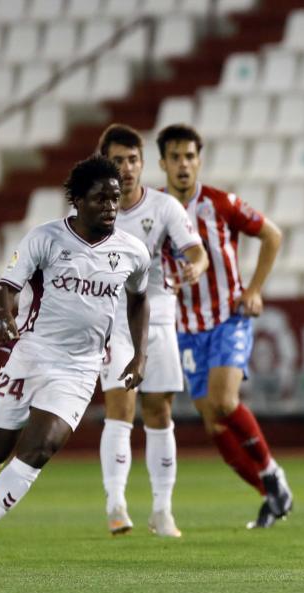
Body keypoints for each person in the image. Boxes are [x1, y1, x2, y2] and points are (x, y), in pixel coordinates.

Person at [0, 155, 151, 562]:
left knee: (42, 447)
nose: (110, 207)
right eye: (100, 199)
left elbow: (139, 299)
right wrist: (3, 316)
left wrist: (139, 356)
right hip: (31, 356)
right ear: (77, 200)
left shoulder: (133, 252)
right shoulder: (45, 239)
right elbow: (6, 288)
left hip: (79, 368)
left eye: (115, 198)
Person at [156, 124, 293, 530]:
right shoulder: (155, 211)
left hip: (229, 317)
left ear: (199, 160)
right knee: (214, 424)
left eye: (190, 156)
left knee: (225, 401)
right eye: (176, 157)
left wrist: (253, 289)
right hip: (184, 328)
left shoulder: (220, 203)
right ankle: (271, 496)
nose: (184, 164)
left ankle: (271, 472)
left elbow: (271, 235)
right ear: (163, 163)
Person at [95, 124, 208, 538]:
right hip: (111, 318)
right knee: (119, 408)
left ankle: (162, 510)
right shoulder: (91, 210)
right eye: (117, 161)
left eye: (132, 160)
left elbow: (197, 252)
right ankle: (116, 503)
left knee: (159, 410)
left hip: (158, 314)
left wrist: (194, 267)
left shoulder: (163, 208)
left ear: (143, 164)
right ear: (103, 163)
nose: (125, 169)